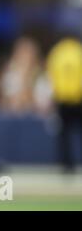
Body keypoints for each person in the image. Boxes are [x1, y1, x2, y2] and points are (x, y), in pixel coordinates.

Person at [46, 35, 82, 173]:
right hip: (78, 99)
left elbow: (51, 75)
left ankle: (67, 165)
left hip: (62, 99)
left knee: (64, 135)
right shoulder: (78, 51)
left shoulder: (57, 52)